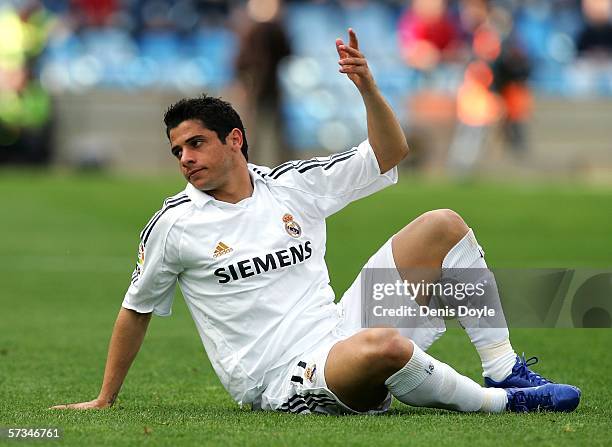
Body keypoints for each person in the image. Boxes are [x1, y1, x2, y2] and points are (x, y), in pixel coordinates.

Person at [51, 29, 580, 415]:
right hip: (280, 377)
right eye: (177, 151)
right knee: (387, 348)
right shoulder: (175, 224)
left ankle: (504, 367)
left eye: (196, 143)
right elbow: (135, 309)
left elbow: (390, 151)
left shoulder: (292, 185)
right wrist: (104, 399)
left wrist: (368, 87)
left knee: (442, 223)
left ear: (234, 138)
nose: (185, 158)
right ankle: (502, 405)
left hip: (339, 329)